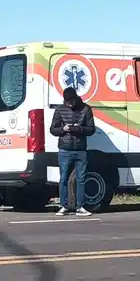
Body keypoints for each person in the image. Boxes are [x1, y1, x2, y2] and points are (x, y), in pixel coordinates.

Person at [49, 87, 95, 216]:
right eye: (67, 101)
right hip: (64, 149)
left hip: (81, 150)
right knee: (63, 178)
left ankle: (80, 206)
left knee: (81, 179)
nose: (69, 104)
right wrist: (63, 129)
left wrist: (79, 129)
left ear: (75, 98)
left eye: (71, 101)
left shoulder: (86, 109)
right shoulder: (60, 109)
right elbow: (53, 129)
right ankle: (64, 206)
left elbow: (91, 129)